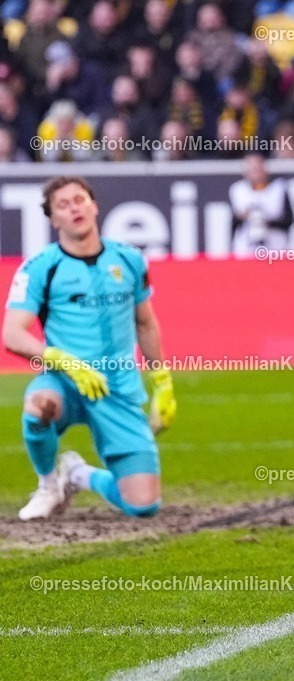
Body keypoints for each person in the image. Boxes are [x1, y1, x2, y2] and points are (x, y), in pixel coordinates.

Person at [2, 176, 177, 521]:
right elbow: (12, 334)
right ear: (54, 219)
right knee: (38, 407)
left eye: (79, 199)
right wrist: (62, 361)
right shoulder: (40, 268)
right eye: (63, 205)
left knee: (143, 505)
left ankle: (79, 475)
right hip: (65, 383)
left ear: (94, 205)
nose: (74, 208)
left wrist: (163, 381)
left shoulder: (130, 260)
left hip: (118, 387)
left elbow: (145, 323)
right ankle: (49, 485)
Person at [229, 152, 294, 255]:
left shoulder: (278, 189)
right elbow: (233, 224)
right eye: (252, 169)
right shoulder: (238, 190)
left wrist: (268, 222)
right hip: (246, 248)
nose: (255, 172)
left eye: (258, 168)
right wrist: (243, 216)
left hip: (275, 246)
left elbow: (289, 220)